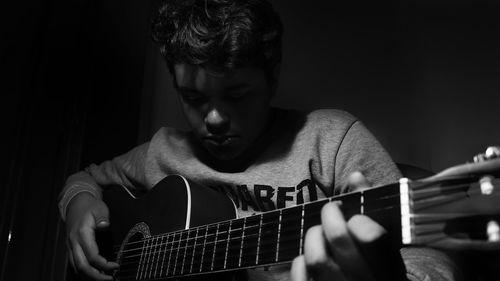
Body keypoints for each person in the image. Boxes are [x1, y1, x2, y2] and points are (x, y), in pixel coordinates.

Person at [58, 0, 462, 280]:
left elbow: (429, 253)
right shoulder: (162, 151)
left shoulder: (331, 141)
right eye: (194, 98)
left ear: (272, 77)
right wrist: (79, 201)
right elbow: (87, 176)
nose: (213, 118)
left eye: (236, 96)